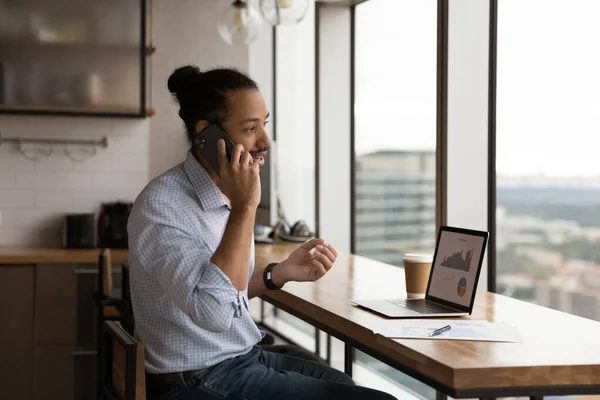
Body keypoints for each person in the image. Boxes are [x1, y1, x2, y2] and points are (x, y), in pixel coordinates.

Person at [127, 65, 397, 400]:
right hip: (194, 380)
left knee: (344, 384)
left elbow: (224, 293)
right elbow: (213, 313)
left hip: (236, 358)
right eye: (250, 128)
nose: (265, 141)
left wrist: (278, 273)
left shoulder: (221, 195)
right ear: (207, 134)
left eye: (264, 124)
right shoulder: (164, 205)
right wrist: (245, 208)